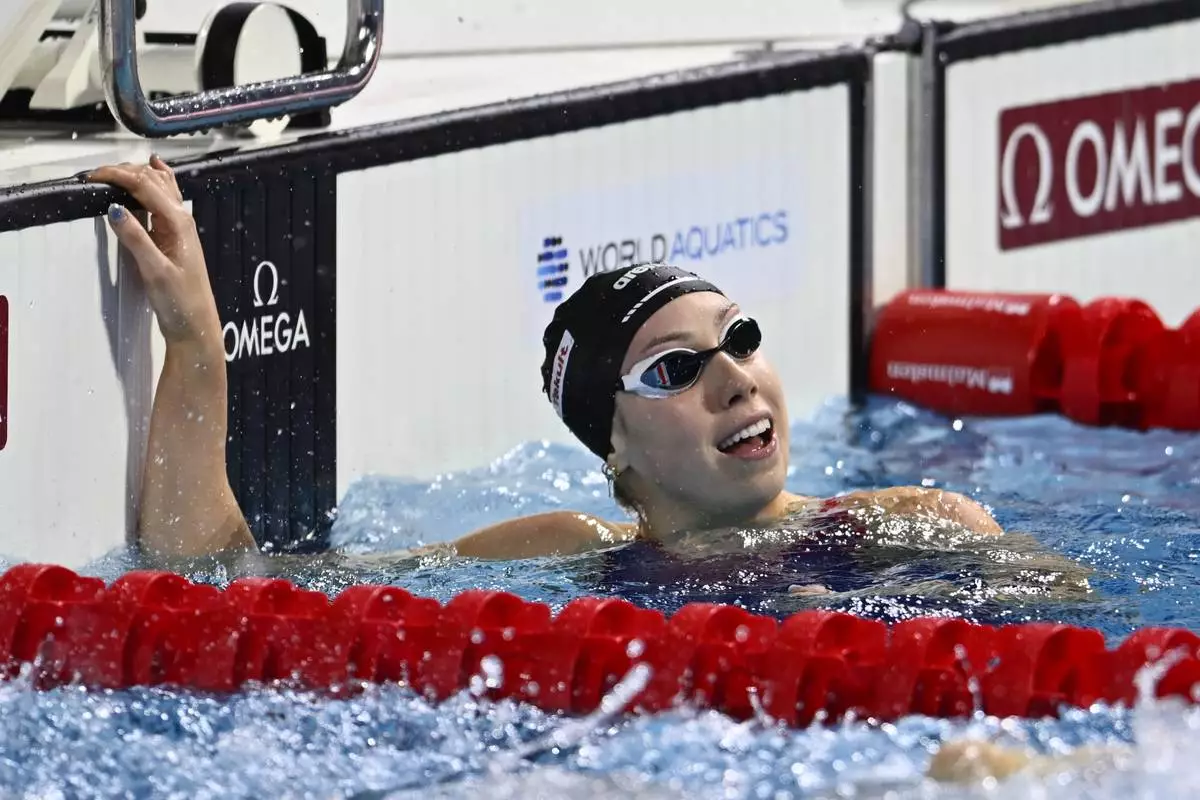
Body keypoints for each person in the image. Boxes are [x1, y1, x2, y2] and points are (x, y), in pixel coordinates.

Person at [88, 157, 1004, 567]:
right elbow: (223, 588)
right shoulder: (566, 551)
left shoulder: (918, 529)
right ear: (616, 449)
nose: (735, 378)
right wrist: (200, 346)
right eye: (676, 371)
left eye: (740, 338)